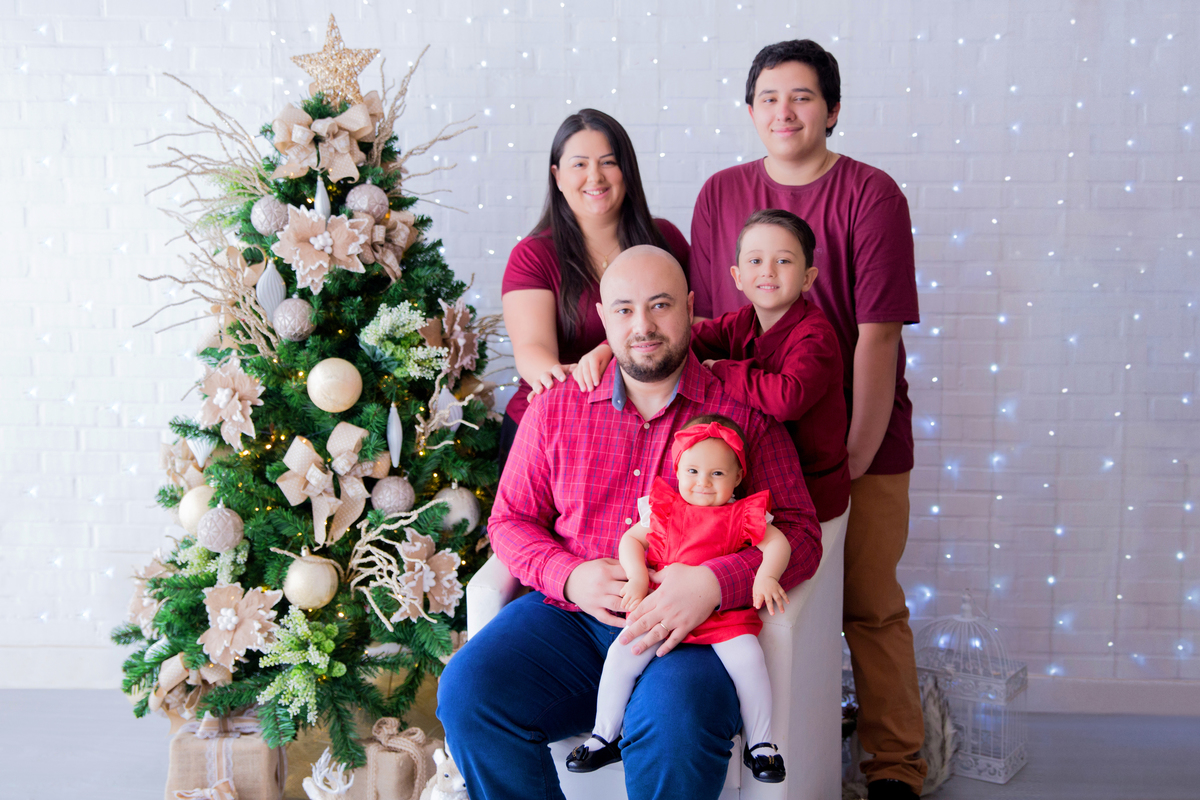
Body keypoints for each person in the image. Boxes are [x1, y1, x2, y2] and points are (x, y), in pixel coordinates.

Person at [438, 245, 822, 800]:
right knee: (468, 693)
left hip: (694, 636)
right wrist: (569, 576)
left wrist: (715, 583)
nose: (642, 325)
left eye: (660, 305)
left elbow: (802, 533)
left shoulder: (745, 411)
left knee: (676, 724)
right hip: (570, 620)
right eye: (623, 310)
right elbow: (510, 520)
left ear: (690, 308)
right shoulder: (556, 407)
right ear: (602, 318)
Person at [687, 40, 927, 800]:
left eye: (801, 97)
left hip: (855, 443)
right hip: (745, 451)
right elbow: (711, 324)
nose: (784, 112)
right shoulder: (720, 193)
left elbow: (879, 333)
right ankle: (770, 756)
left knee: (869, 605)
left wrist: (852, 457)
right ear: (751, 110)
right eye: (768, 98)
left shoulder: (871, 194)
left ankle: (894, 768)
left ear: (832, 109)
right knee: (757, 609)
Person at [575, 208, 850, 523]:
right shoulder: (743, 321)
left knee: (808, 565)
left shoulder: (815, 335)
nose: (768, 272)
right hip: (754, 479)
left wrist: (721, 369)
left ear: (807, 278)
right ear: (737, 276)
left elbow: (788, 399)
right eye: (755, 261)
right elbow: (678, 336)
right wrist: (610, 347)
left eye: (783, 261)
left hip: (815, 486)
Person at [566, 415, 789, 784]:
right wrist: (637, 577)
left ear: (737, 477)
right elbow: (631, 541)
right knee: (624, 651)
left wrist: (767, 575)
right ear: (677, 469)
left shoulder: (740, 514)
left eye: (717, 474)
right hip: (661, 606)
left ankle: (762, 745)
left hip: (721, 615)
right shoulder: (663, 507)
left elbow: (778, 542)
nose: (702, 483)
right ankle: (604, 734)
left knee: (749, 659)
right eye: (693, 470)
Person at [499, 108, 690, 470]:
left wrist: (607, 351)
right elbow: (533, 351)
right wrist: (594, 390)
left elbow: (694, 324)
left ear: (626, 171)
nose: (595, 176)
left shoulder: (666, 241)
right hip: (552, 424)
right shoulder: (533, 255)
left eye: (608, 162)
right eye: (579, 164)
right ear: (556, 176)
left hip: (648, 423)